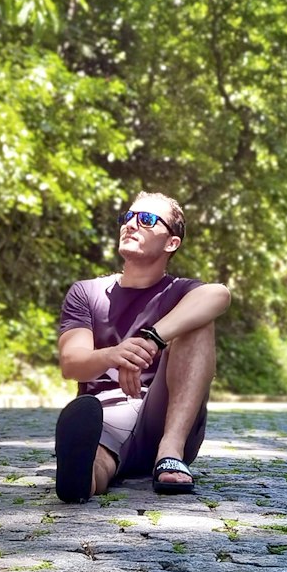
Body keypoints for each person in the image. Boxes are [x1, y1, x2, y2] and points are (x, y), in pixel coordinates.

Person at [53, 190, 231, 502]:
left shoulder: (183, 293)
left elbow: (219, 294)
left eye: (147, 220)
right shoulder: (86, 292)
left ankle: (170, 452)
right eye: (128, 217)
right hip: (106, 416)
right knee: (95, 463)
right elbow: (71, 362)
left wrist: (151, 338)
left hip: (165, 417)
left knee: (199, 323)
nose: (131, 224)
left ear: (171, 242)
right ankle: (80, 479)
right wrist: (113, 354)